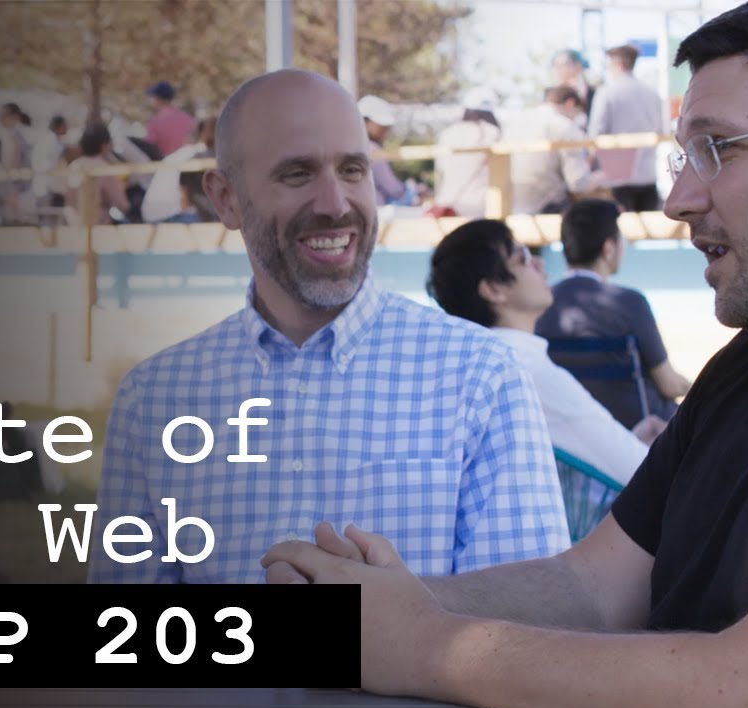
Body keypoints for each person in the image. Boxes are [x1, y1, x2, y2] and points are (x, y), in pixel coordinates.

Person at [263, 1, 748, 708]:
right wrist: (389, 606)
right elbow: (593, 589)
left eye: (719, 148)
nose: (678, 198)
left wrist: (424, 645)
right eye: (684, 157)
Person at [89, 69, 570, 584]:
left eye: (353, 170)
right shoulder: (154, 401)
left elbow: (523, 617)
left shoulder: (479, 376)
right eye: (297, 174)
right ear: (226, 198)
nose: (335, 205)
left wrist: (400, 619)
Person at [427, 219, 666, 486]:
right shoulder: (524, 369)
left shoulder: (476, 362)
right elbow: (640, 471)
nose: (540, 263)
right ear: (494, 289)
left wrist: (630, 441)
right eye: (523, 259)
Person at [536, 199, 692, 427]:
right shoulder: (630, 303)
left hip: (570, 432)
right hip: (637, 431)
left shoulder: (540, 304)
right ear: (608, 248)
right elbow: (669, 385)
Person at [501, 86, 603, 214]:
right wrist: (600, 177)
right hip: (547, 206)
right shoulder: (564, 126)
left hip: (513, 205)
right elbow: (577, 183)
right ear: (570, 103)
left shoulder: (515, 122)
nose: (577, 119)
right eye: (578, 114)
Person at [588, 44, 665, 211]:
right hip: (648, 174)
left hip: (616, 176)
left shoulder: (607, 92)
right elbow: (660, 129)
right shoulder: (652, 93)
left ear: (617, 65)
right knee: (649, 223)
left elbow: (596, 132)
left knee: (620, 224)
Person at [432, 87, 501, 218]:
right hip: (479, 209)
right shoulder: (493, 133)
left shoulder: (447, 133)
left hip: (445, 206)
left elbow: (440, 172)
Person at [65, 123, 130, 225]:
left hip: (74, 224)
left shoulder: (74, 166)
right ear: (104, 145)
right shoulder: (104, 168)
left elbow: (69, 201)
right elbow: (122, 204)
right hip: (99, 225)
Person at [357, 95, 416, 207]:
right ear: (365, 121)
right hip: (375, 210)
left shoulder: (351, 145)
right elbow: (394, 189)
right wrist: (412, 189)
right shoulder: (372, 148)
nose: (385, 130)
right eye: (382, 126)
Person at [144, 81, 196, 158]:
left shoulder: (155, 122)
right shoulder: (188, 118)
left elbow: (149, 147)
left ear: (158, 99)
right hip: (188, 162)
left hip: (165, 163)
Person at [550, 49, 595, 127]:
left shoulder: (594, 93)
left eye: (563, 65)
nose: (559, 71)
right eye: (556, 66)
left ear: (578, 66)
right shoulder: (550, 95)